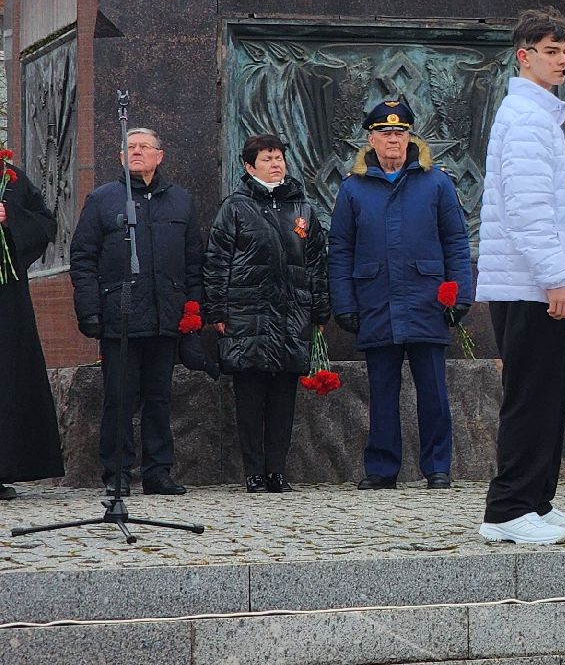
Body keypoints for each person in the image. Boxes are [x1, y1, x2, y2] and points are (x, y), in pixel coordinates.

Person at [476, 7, 565, 545]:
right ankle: (506, 509)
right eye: (551, 51)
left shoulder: (543, 117)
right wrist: (554, 278)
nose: (562, 61)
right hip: (528, 285)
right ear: (524, 56)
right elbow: (526, 210)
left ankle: (536, 502)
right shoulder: (524, 119)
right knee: (529, 397)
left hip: (538, 282)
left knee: (548, 396)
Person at [329, 97, 473, 493]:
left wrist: (460, 295)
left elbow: (456, 242)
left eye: (400, 131)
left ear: (411, 137)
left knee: (433, 392)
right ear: (370, 140)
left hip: (428, 299)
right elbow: (339, 248)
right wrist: (344, 302)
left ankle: (437, 467)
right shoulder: (353, 189)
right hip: (375, 299)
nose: (393, 139)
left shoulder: (436, 182)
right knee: (381, 391)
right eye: (384, 132)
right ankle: (382, 468)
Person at [70, 126, 201, 496]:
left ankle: (158, 471)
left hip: (165, 314)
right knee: (120, 398)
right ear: (121, 157)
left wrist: (192, 307)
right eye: (131, 147)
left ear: (161, 156)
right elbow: (83, 257)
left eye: (145, 147)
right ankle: (117, 473)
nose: (138, 152)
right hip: (121, 315)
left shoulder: (181, 201)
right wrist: (90, 310)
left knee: (160, 396)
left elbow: (194, 260)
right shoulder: (102, 199)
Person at [204, 133, 330, 493]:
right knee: (250, 396)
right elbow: (216, 262)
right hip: (248, 316)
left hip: (292, 315)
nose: (275, 165)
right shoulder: (235, 207)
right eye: (267, 159)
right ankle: (253, 471)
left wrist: (320, 308)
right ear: (249, 166)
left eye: (279, 158)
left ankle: (277, 469)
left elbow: (317, 263)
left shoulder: (302, 209)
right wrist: (217, 310)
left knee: (283, 399)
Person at [0, 158, 64, 498]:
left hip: (5, 295)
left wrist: (11, 218)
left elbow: (45, 222)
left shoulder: (11, 179)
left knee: (6, 377)